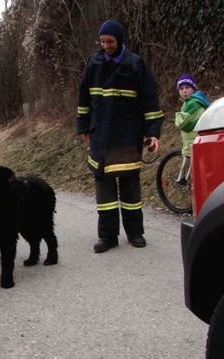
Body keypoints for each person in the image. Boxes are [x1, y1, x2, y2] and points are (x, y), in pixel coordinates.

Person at [76, 19, 164, 253]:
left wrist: (153, 132)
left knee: (130, 187)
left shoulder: (135, 64)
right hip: (100, 136)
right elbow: (84, 98)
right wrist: (83, 125)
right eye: (103, 41)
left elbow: (150, 100)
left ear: (119, 40)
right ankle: (107, 236)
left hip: (127, 135)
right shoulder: (93, 64)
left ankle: (135, 233)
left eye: (110, 41)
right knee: (104, 189)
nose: (106, 45)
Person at [174, 74, 211, 185]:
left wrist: (177, 116)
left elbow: (182, 123)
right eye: (181, 88)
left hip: (193, 137)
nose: (184, 91)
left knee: (190, 157)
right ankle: (185, 178)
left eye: (187, 87)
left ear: (194, 88)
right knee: (191, 158)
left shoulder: (193, 104)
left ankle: (184, 179)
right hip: (192, 137)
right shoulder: (193, 102)